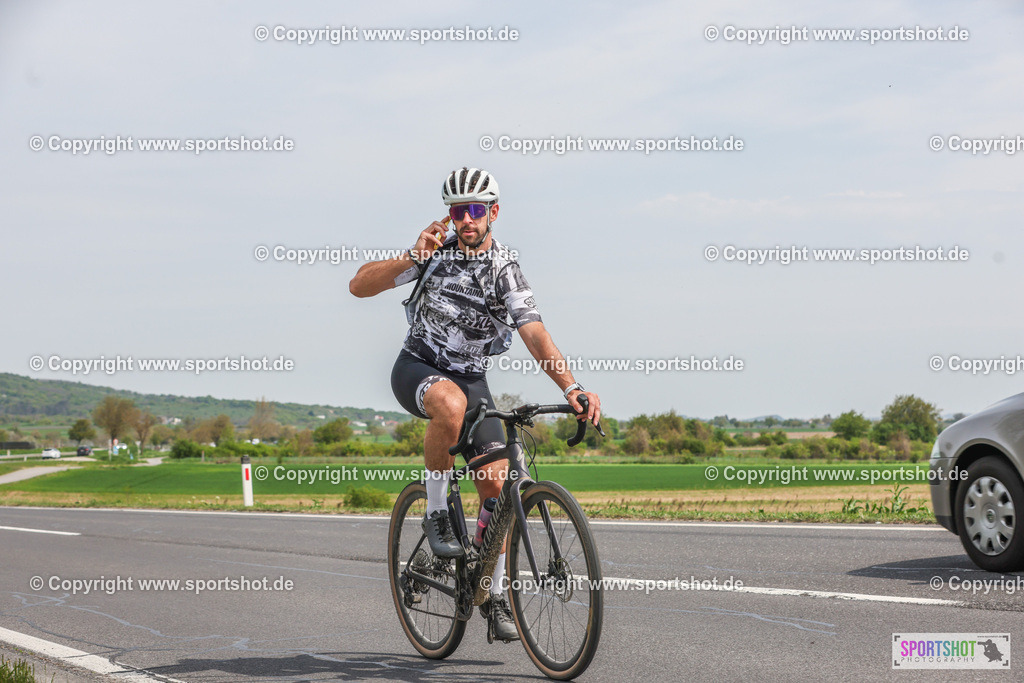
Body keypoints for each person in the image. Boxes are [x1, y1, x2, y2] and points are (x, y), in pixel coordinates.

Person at [349, 167, 601, 642]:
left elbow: (535, 334)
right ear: (450, 215)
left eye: (476, 210)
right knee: (449, 402)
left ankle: (493, 592)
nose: (467, 219)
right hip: (418, 368)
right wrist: (409, 256)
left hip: (473, 379)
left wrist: (572, 388)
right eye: (459, 211)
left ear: (493, 213)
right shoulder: (431, 254)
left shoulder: (505, 269)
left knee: (499, 488)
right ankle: (438, 510)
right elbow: (359, 286)